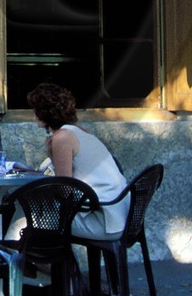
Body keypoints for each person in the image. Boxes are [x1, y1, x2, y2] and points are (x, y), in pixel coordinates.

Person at [26, 83, 129, 238]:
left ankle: (9, 257)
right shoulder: (81, 132)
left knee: (30, 214)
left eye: (35, 111)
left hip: (104, 222)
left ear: (44, 113)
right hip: (120, 216)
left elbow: (65, 190)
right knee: (39, 213)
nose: (33, 117)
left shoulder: (62, 137)